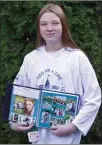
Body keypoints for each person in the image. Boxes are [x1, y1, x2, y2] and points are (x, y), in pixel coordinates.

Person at [9, 3, 101, 144]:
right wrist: (14, 122)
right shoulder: (31, 59)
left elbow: (94, 97)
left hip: (67, 139)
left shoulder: (77, 58)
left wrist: (73, 126)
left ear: (63, 26)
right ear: (39, 28)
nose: (49, 28)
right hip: (37, 139)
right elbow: (18, 93)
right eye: (44, 24)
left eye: (55, 23)